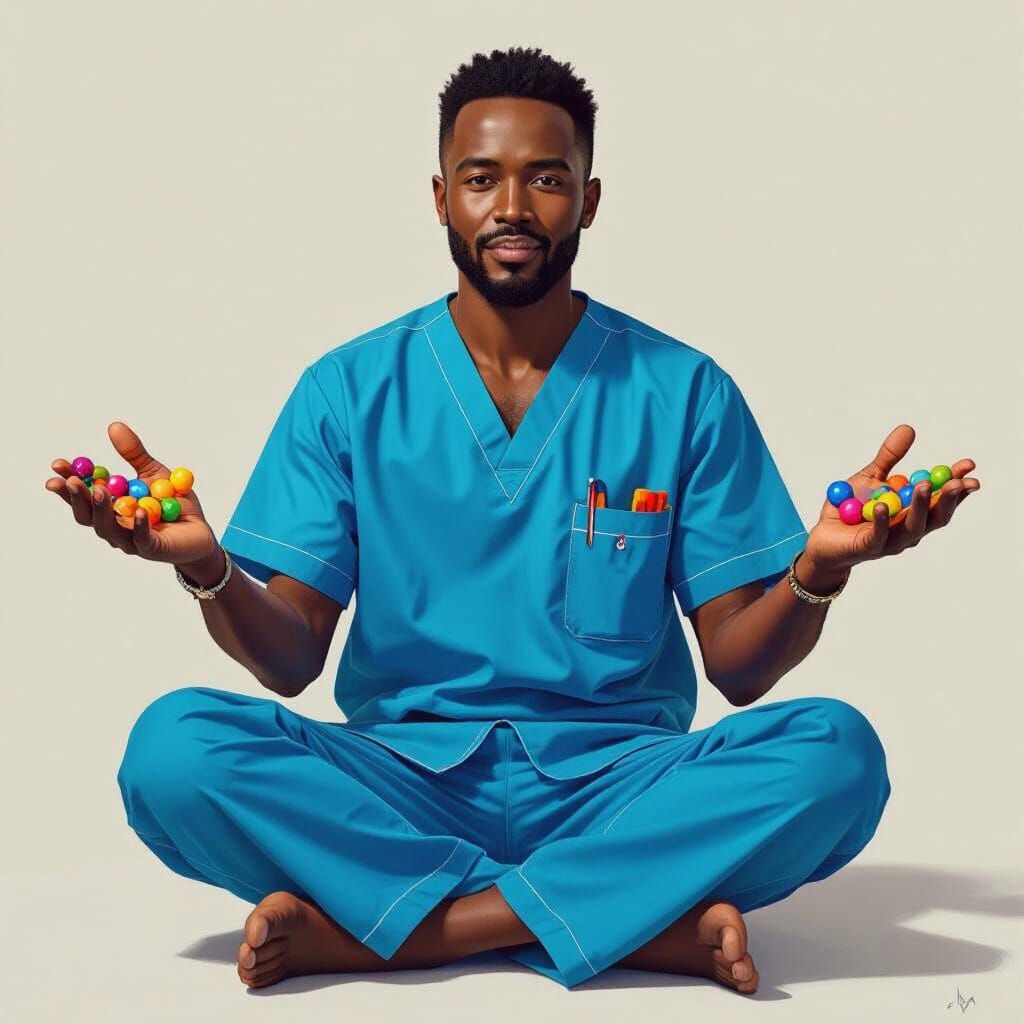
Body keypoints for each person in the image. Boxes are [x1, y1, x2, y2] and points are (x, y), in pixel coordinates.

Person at [47, 46, 979, 994]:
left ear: (590, 200)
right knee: (174, 750)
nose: (513, 207)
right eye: (481, 178)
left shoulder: (683, 392)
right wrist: (206, 567)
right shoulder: (349, 391)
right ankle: (624, 921)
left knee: (836, 755)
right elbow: (289, 664)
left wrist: (819, 570)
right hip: (397, 785)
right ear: (441, 198)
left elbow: (740, 673)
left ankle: (408, 928)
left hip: (620, 788)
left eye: (547, 178)